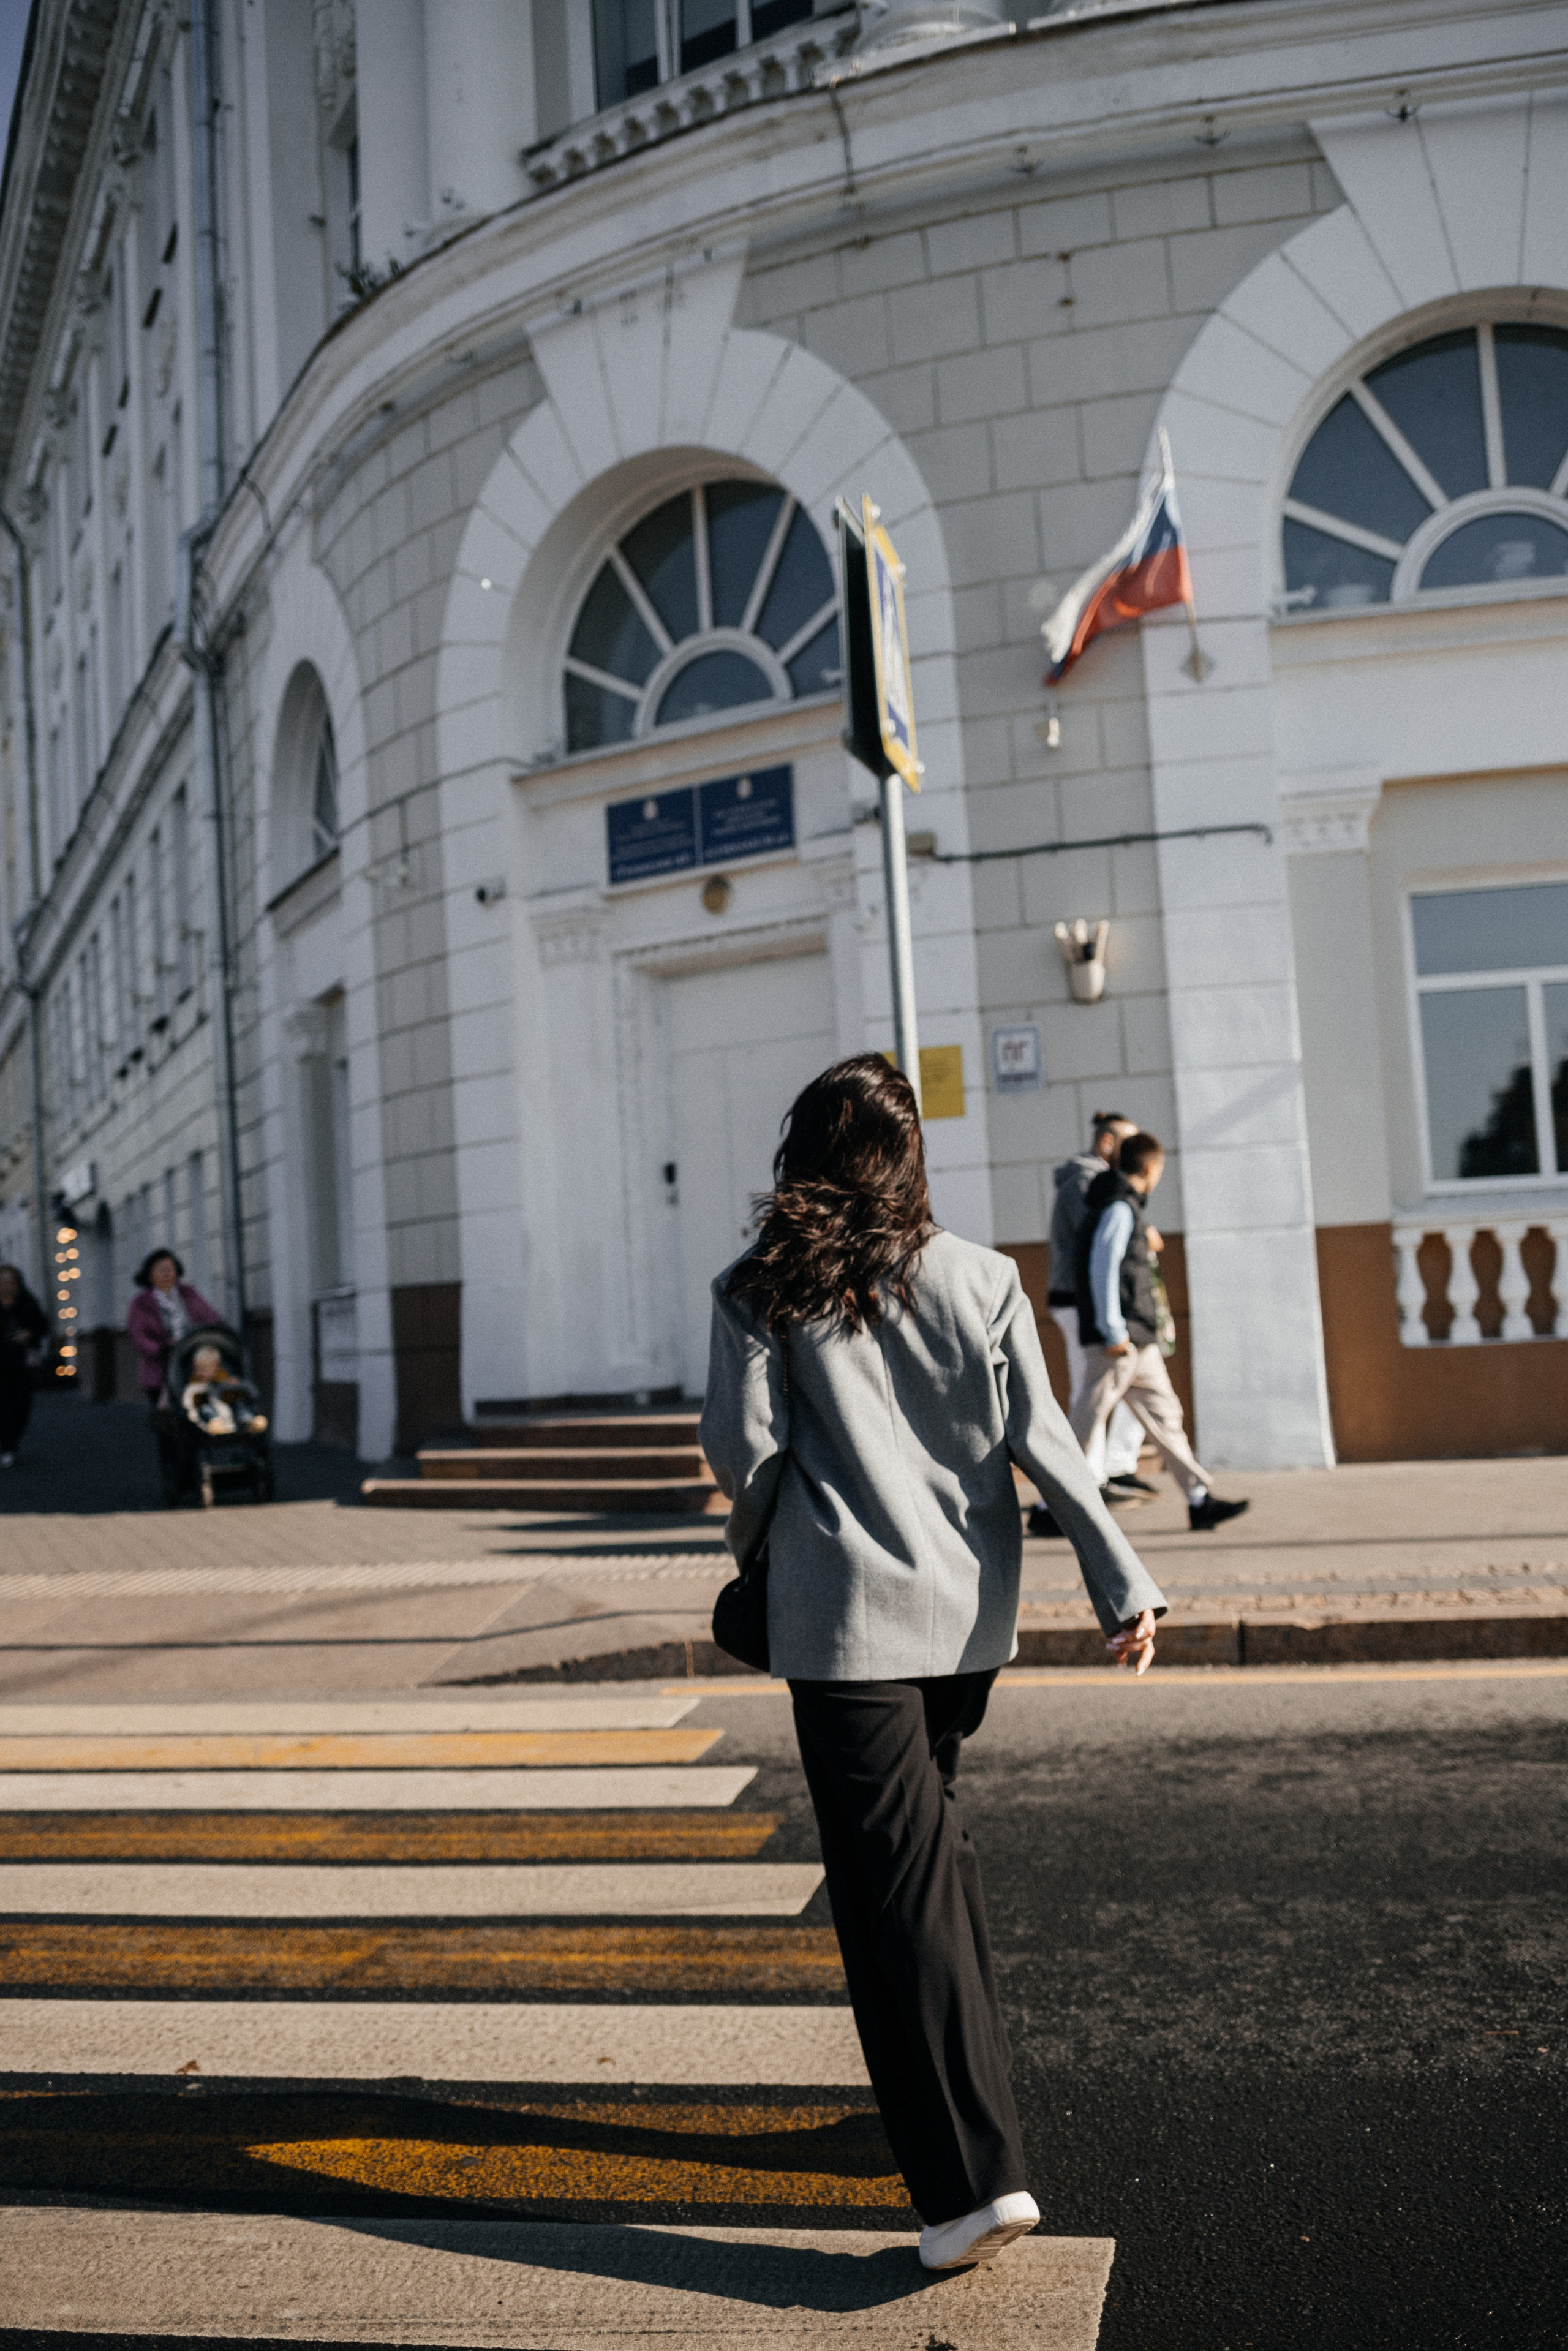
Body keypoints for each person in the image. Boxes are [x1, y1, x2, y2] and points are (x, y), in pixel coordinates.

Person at [700, 1054, 1167, 2274]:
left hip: (845, 1627)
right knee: (930, 1861)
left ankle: (968, 2178)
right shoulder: (979, 1277)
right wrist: (1120, 1579)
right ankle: (935, 2118)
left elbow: (744, 1451)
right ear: (910, 1161)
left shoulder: (766, 1286)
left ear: (802, 1155)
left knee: (888, 1890)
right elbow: (1045, 1439)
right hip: (964, 1626)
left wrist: (765, 1551)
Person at [1070, 1131, 1248, 1532]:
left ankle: (1199, 1499)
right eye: (1161, 1170)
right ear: (1151, 1168)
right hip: (1119, 1340)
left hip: (1138, 1338)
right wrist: (1113, 1329)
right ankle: (1051, 1506)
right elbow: (1103, 1271)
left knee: (1166, 1416)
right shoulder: (1117, 1209)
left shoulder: (1126, 1208)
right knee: (1086, 1420)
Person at [1038, 1109, 1152, 1533]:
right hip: (1076, 1300)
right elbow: (1099, 1245)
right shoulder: (1084, 1181)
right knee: (1090, 1392)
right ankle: (1087, 1481)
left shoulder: (1097, 1181)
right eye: (1127, 1146)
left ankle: (1109, 1471)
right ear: (1107, 1145)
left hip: (1089, 1302)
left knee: (1109, 1390)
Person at [127, 1250, 219, 1504]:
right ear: (149, 1275)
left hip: (193, 1370)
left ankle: (191, 1477)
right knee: (168, 1429)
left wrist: (202, 1340)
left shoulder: (188, 1294)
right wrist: (160, 1348)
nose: (167, 1273)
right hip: (160, 1374)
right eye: (160, 1269)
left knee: (194, 1426)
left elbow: (210, 1318)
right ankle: (172, 1481)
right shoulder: (142, 1303)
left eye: (171, 1268)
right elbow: (138, 1336)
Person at [0, 1264, 49, 1468]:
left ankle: (12, 1440)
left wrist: (28, 1334)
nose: (6, 1286)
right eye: (3, 1282)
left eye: (11, 1282)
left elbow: (43, 1325)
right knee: (3, 1406)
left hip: (22, 1364)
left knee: (22, 1406)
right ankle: (7, 1447)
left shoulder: (27, 1303)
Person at [181, 1342, 268, 1436]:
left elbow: (242, 1391)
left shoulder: (224, 1381)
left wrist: (233, 1385)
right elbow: (189, 1404)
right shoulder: (194, 1386)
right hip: (211, 1423)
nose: (200, 1372)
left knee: (238, 1401)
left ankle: (248, 1421)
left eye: (205, 1369)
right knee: (204, 1407)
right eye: (197, 1369)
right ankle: (215, 1422)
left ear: (216, 1368)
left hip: (230, 1417)